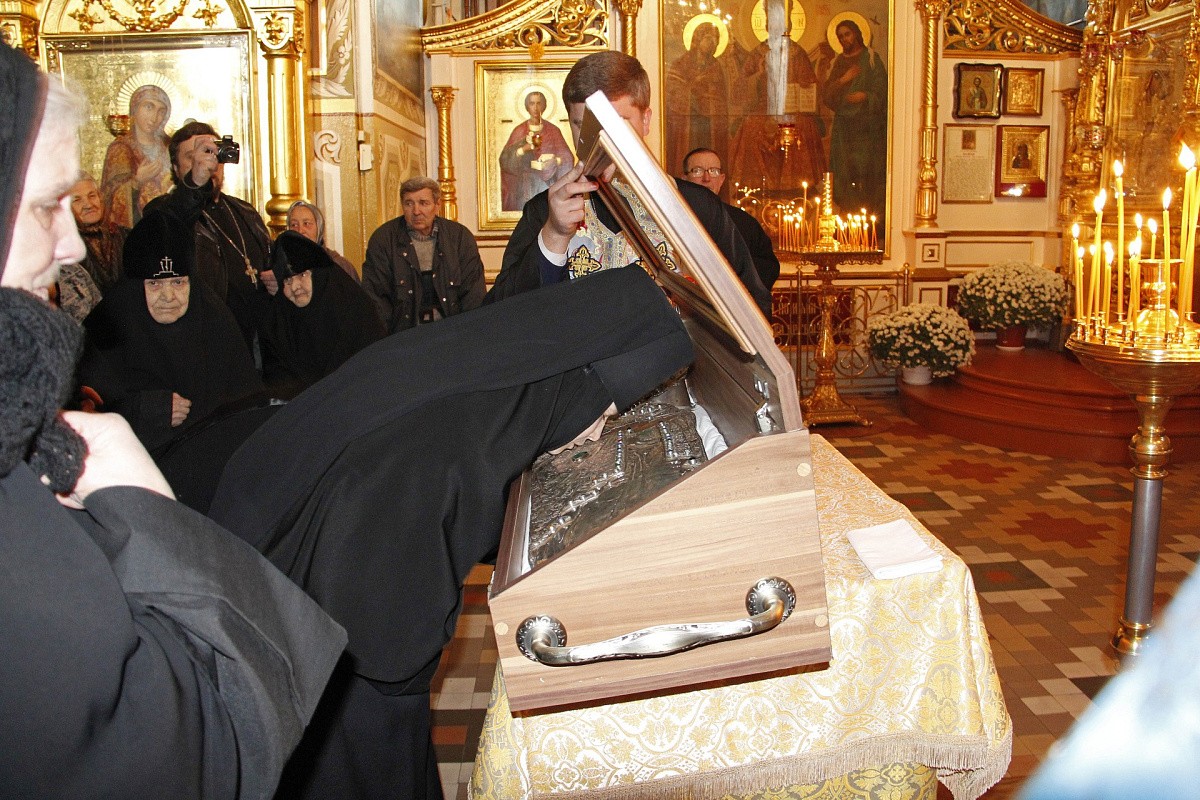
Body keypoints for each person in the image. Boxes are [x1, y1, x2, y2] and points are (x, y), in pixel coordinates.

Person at [208, 265, 694, 800]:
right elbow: (384, 629)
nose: (596, 432)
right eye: (602, 411)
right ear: (575, 384)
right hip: (323, 658)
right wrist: (425, 644)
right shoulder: (461, 442)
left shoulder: (481, 377)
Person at [0, 44, 344, 799]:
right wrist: (148, 505)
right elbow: (202, 739)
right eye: (47, 205)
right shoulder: (143, 260)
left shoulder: (234, 228)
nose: (72, 244)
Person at [486, 50, 772, 319]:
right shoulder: (544, 211)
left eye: (617, 122)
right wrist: (554, 236)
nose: (601, 139)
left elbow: (752, 307)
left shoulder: (696, 206)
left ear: (645, 120)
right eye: (582, 124)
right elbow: (501, 316)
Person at [81, 211, 265, 455]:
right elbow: (80, 414)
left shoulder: (216, 320)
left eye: (178, 282)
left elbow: (249, 408)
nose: (168, 296)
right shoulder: (105, 329)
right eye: (155, 284)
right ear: (135, 287)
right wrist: (145, 410)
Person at [144, 120, 273, 348]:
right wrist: (196, 181)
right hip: (204, 341)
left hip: (254, 342)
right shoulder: (162, 211)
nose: (207, 163)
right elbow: (173, 224)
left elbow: (268, 262)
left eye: (213, 153)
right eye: (193, 156)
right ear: (175, 168)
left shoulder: (244, 211)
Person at [258, 230, 386, 397]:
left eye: (302, 275)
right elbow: (277, 381)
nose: (295, 287)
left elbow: (374, 370)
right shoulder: (277, 322)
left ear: (319, 276)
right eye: (287, 280)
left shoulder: (354, 310)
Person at [361, 176, 485, 334]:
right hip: (402, 336)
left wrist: (467, 334)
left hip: (453, 333)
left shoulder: (459, 237)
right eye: (409, 203)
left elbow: (473, 294)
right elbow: (376, 299)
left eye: (423, 203)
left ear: (437, 204)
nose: (416, 211)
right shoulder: (384, 239)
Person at [727, 0, 826, 193]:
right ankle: (757, 190)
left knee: (803, 127)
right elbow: (738, 91)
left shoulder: (797, 53)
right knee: (751, 127)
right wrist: (758, 74)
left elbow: (810, 87)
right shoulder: (757, 53)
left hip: (792, 109)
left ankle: (796, 190)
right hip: (762, 108)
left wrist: (804, 85)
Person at [682, 147, 780, 291]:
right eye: (697, 171)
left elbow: (768, 268)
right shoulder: (672, 218)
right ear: (685, 179)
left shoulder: (744, 222)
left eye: (713, 171)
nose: (706, 178)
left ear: (721, 180)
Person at [822, 18, 888, 218]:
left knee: (866, 170)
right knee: (844, 171)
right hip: (844, 127)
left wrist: (865, 96)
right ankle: (848, 215)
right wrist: (844, 79)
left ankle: (868, 216)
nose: (844, 39)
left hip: (867, 127)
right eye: (840, 36)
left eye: (847, 34)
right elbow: (827, 96)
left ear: (857, 34)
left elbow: (883, 91)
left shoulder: (871, 58)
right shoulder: (839, 62)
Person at [665, 22, 729, 192]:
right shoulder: (681, 64)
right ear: (697, 39)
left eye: (715, 40)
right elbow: (674, 91)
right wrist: (693, 88)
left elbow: (721, 97)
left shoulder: (716, 66)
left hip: (709, 125)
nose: (712, 44)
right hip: (688, 125)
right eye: (708, 39)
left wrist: (710, 97)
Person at [100, 83, 174, 230]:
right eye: (149, 107)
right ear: (135, 108)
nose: (154, 117)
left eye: (161, 111)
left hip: (170, 226)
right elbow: (109, 198)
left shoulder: (171, 147)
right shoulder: (120, 149)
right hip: (137, 231)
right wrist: (137, 182)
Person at [499, 90, 574, 211]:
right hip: (524, 188)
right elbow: (504, 160)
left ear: (544, 106)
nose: (535, 108)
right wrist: (523, 149)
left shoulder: (553, 131)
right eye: (532, 103)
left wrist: (555, 160)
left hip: (547, 186)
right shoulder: (519, 131)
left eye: (539, 103)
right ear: (527, 106)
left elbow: (568, 158)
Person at [70, 173, 125, 291]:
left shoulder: (124, 235)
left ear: (100, 198)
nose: (88, 205)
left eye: (92, 196)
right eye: (77, 200)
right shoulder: (65, 249)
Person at [286, 199, 360, 282]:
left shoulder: (340, 266)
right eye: (294, 225)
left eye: (306, 223)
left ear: (319, 228)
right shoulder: (282, 267)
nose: (300, 230)